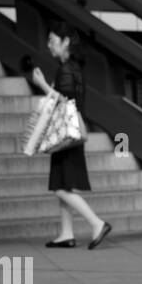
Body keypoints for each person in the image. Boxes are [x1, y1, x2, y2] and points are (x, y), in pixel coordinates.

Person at [31, 22, 111, 249]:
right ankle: (66, 233)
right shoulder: (74, 67)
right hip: (72, 133)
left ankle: (97, 223)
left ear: (66, 42)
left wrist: (43, 85)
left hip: (66, 134)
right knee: (63, 184)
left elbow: (63, 101)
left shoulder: (66, 69)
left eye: (52, 40)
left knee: (60, 187)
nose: (49, 45)